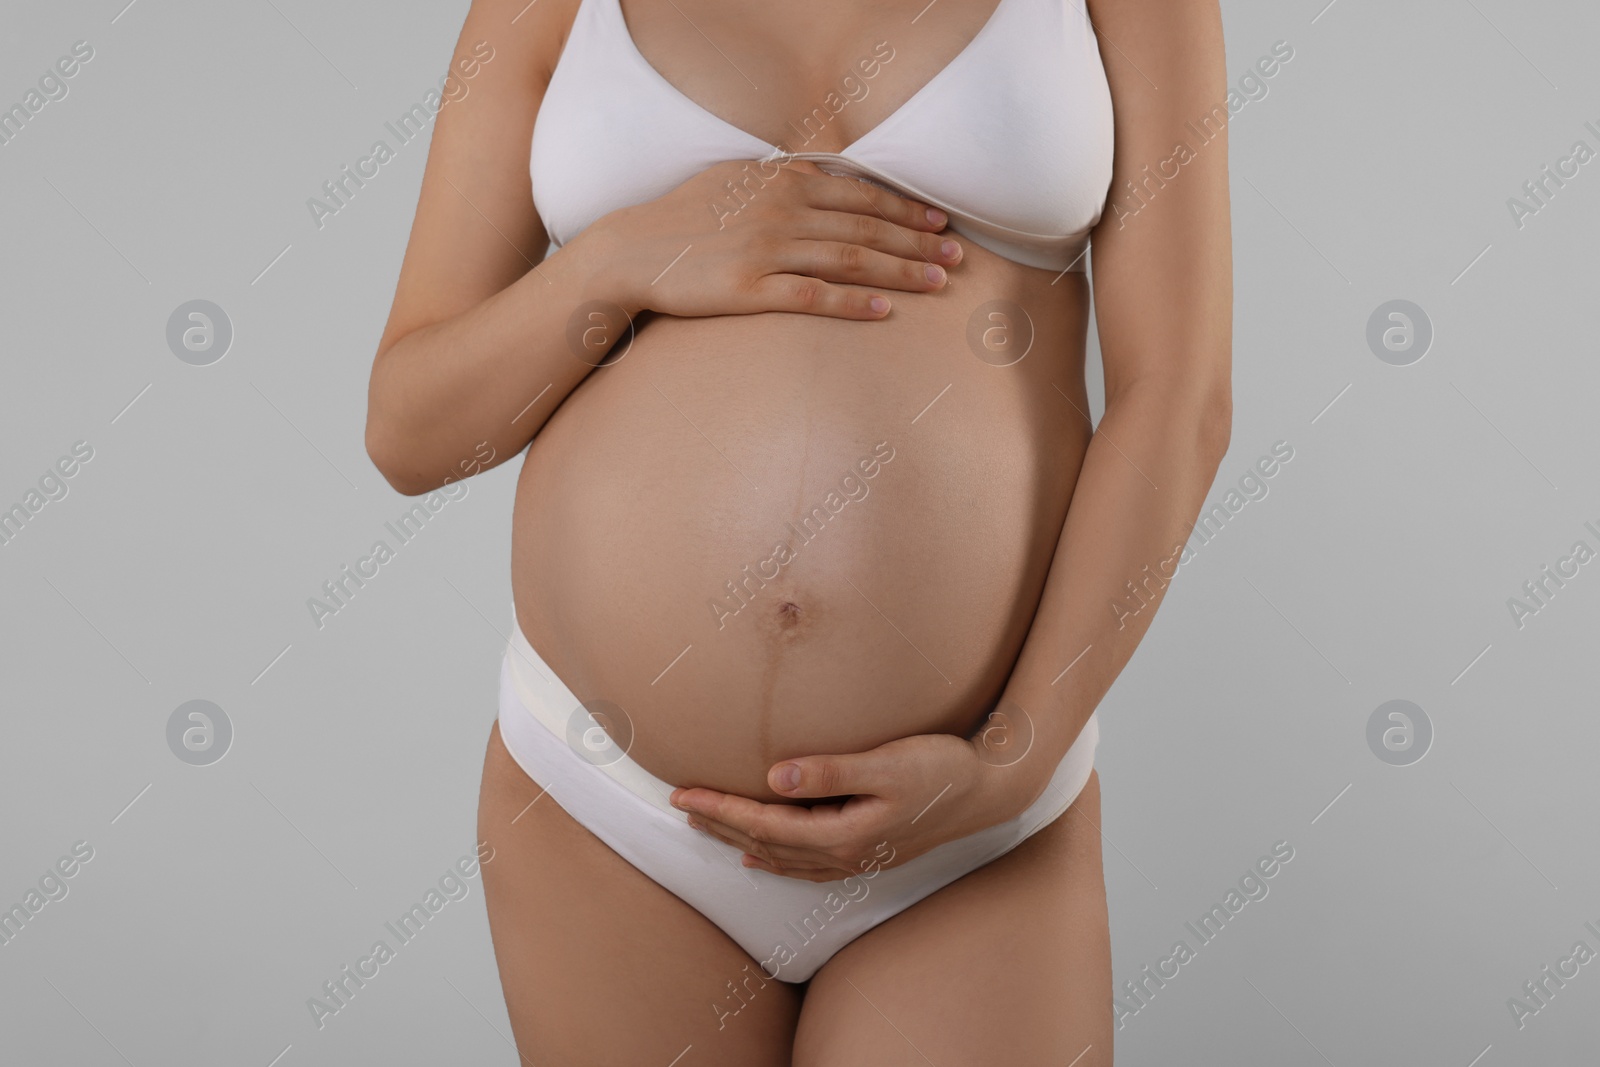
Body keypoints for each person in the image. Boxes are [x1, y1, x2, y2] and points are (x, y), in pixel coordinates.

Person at [364, 0, 1231, 1061]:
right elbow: (411, 429)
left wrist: (1014, 753)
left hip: (965, 825)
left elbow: (1178, 396)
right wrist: (614, 261)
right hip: (609, 806)